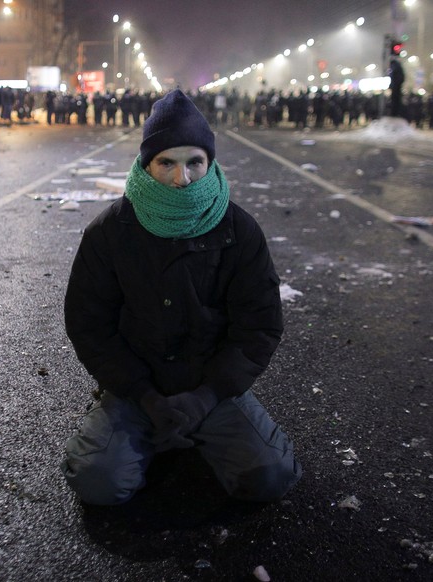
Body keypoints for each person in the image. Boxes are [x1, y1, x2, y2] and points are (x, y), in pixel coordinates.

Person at [62, 89, 302, 507]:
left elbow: (258, 325)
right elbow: (89, 324)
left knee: (269, 477)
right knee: (99, 483)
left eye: (195, 162)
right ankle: (147, 433)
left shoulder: (239, 230)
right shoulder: (109, 232)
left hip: (211, 388)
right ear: (146, 163)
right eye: (166, 163)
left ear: (210, 163)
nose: (182, 178)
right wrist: (143, 393)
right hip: (136, 390)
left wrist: (207, 395)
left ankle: (181, 434)